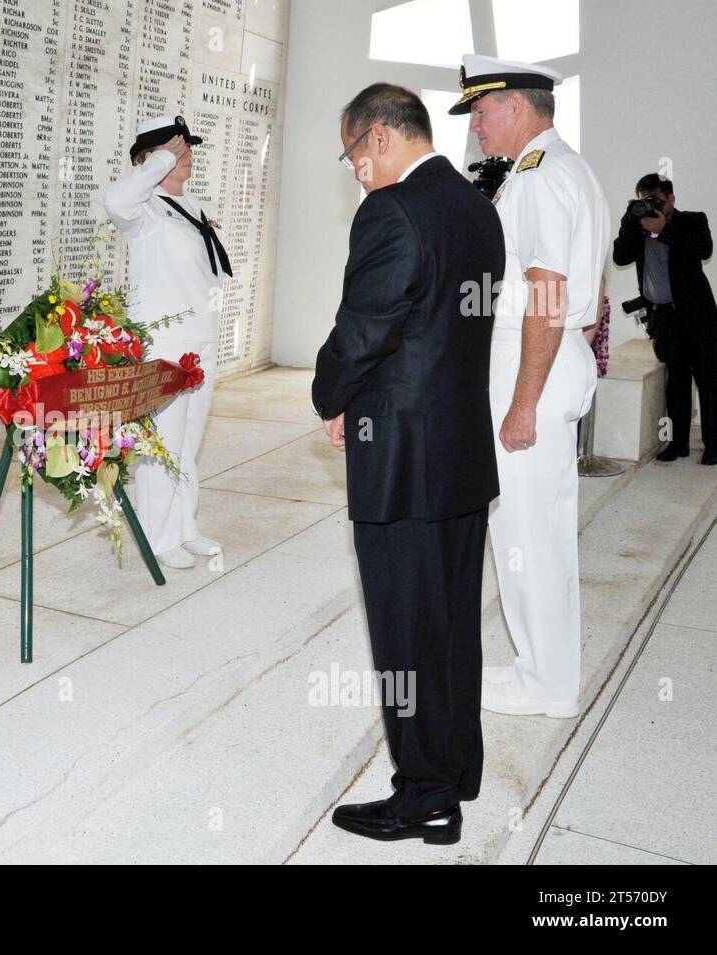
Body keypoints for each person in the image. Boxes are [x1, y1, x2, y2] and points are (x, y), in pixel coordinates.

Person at [312, 84, 505, 844]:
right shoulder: (476, 206)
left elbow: (363, 331)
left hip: (401, 461)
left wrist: (332, 397)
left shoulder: (390, 211)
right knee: (454, 620)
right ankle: (458, 767)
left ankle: (424, 793)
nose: (356, 170)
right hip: (459, 453)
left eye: (354, 154)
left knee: (404, 630)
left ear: (382, 137)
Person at [455, 54, 611, 719]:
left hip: (534, 370)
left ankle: (543, 683)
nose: (477, 128)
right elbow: (593, 293)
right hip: (550, 361)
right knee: (536, 527)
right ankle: (543, 671)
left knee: (527, 530)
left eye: (482, 113)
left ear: (516, 107)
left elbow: (548, 294)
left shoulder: (540, 177)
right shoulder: (567, 167)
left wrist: (523, 403)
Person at [102, 116, 230, 571]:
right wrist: (160, 157)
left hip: (201, 338)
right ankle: (158, 538)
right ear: (150, 160)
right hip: (164, 340)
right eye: (177, 149)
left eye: (187, 146)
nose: (187, 153)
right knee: (161, 444)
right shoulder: (145, 212)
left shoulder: (191, 206)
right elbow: (115, 197)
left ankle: (183, 528)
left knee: (188, 442)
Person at [612, 173, 717, 464]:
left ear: (671, 198)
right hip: (665, 316)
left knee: (707, 381)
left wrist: (665, 229)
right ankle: (678, 444)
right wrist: (630, 221)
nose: (651, 205)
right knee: (677, 382)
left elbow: (704, 250)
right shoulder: (639, 230)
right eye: (645, 199)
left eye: (656, 199)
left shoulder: (693, 220)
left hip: (698, 315)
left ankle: (713, 445)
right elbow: (620, 257)